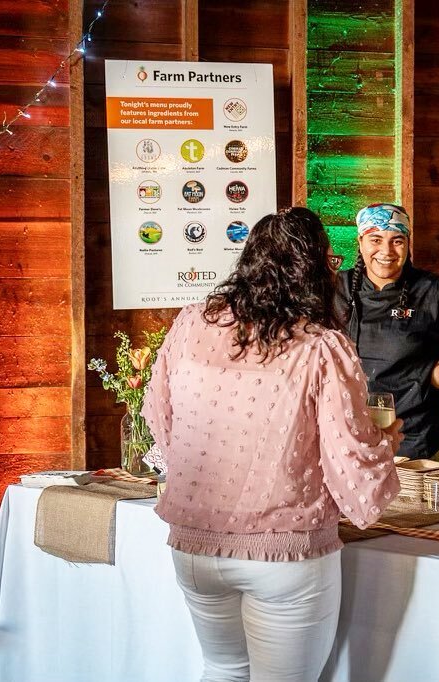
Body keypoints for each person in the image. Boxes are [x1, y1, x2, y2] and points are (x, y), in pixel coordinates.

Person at [142, 206, 402, 682]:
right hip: (285, 555)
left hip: (195, 544)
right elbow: (352, 464)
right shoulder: (322, 346)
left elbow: (161, 420)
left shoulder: (191, 323)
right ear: (313, 271)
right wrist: (383, 444)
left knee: (221, 670)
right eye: (329, 261)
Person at [336, 203, 439, 460]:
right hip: (346, 437)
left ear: (408, 242)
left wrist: (433, 379)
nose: (386, 251)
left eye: (397, 241)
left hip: (414, 440)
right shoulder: (336, 288)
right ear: (360, 241)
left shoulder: (433, 292)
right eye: (375, 239)